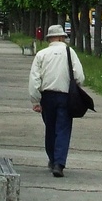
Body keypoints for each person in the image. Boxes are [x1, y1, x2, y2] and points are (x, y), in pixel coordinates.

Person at [28, 24, 86, 178]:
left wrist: (35, 100)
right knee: (63, 129)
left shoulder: (41, 54)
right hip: (65, 96)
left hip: (47, 97)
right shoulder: (69, 52)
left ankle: (52, 158)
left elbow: (34, 79)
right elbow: (79, 76)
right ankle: (59, 164)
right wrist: (76, 87)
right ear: (61, 37)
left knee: (50, 128)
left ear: (49, 38)